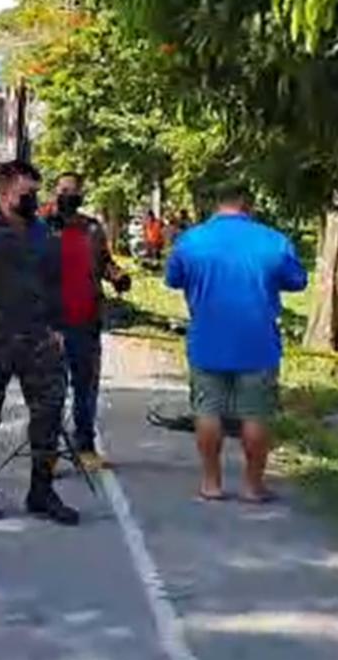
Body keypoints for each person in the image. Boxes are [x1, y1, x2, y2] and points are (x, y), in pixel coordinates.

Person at [0, 160, 79, 526]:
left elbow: (55, 282)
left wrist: (57, 326)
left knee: (50, 409)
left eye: (37, 192)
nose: (34, 199)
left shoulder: (43, 233)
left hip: (37, 338)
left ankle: (41, 491)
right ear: (5, 191)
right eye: (28, 193)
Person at [165, 182, 307, 503]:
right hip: (258, 342)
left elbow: (174, 278)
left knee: (207, 411)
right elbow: (297, 281)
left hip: (207, 339)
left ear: (217, 204)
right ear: (248, 204)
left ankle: (211, 483)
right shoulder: (273, 240)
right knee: (256, 414)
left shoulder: (192, 240)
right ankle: (252, 486)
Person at [43, 172, 132, 470]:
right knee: (51, 388)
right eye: (63, 189)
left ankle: (85, 448)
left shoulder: (92, 228)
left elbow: (105, 262)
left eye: (73, 190)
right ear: (55, 192)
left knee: (86, 388)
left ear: (81, 194)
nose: (68, 194)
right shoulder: (41, 227)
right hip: (50, 323)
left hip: (86, 320)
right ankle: (48, 452)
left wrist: (117, 276)